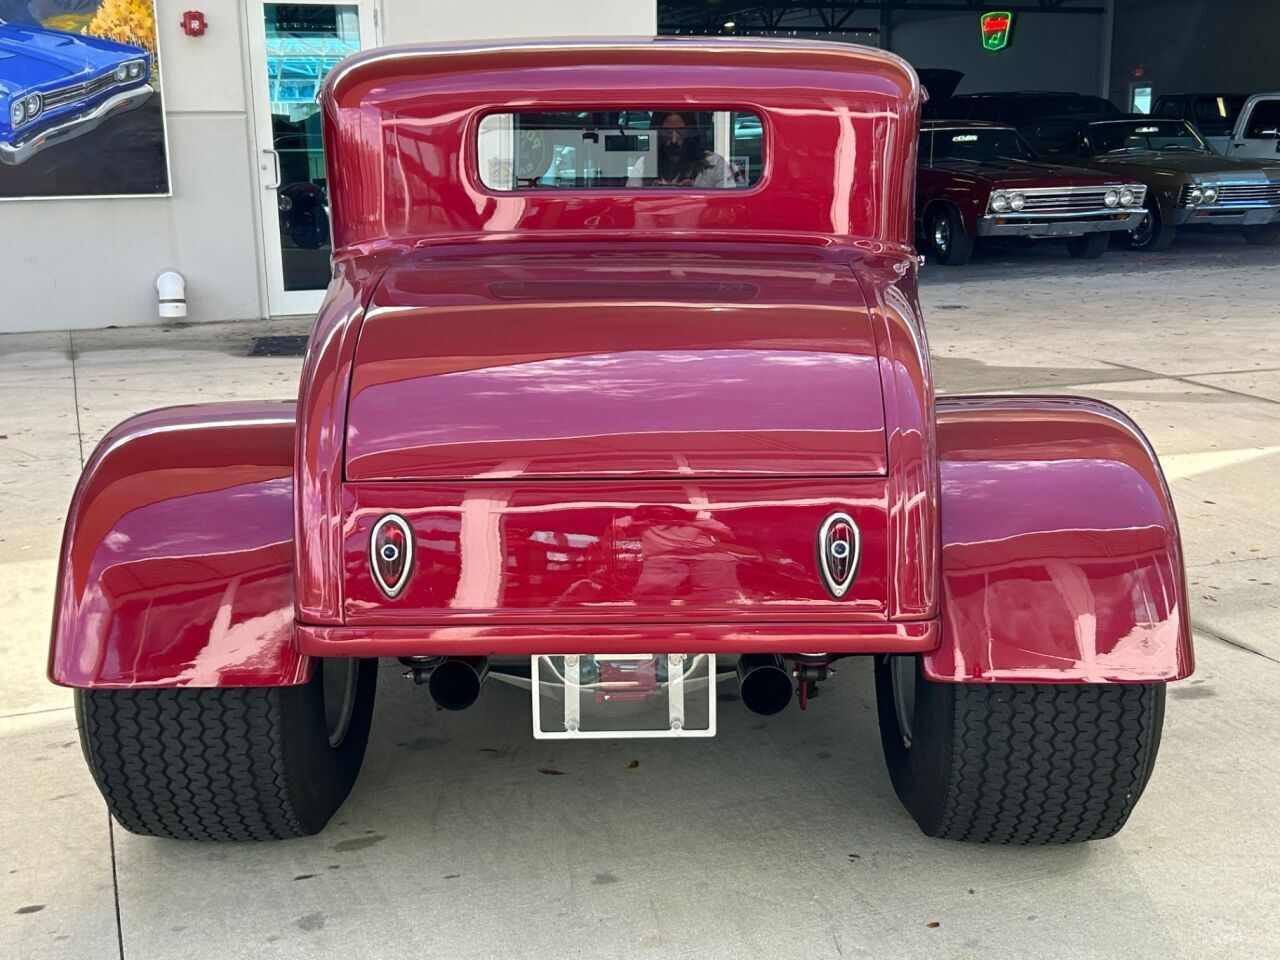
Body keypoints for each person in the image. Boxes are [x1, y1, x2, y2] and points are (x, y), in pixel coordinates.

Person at [626, 111, 737, 188]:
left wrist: (696, 194)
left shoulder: (714, 163)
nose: (674, 140)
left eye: (680, 131)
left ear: (690, 132)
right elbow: (631, 204)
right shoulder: (644, 165)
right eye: (668, 132)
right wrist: (649, 195)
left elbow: (730, 207)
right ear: (658, 133)